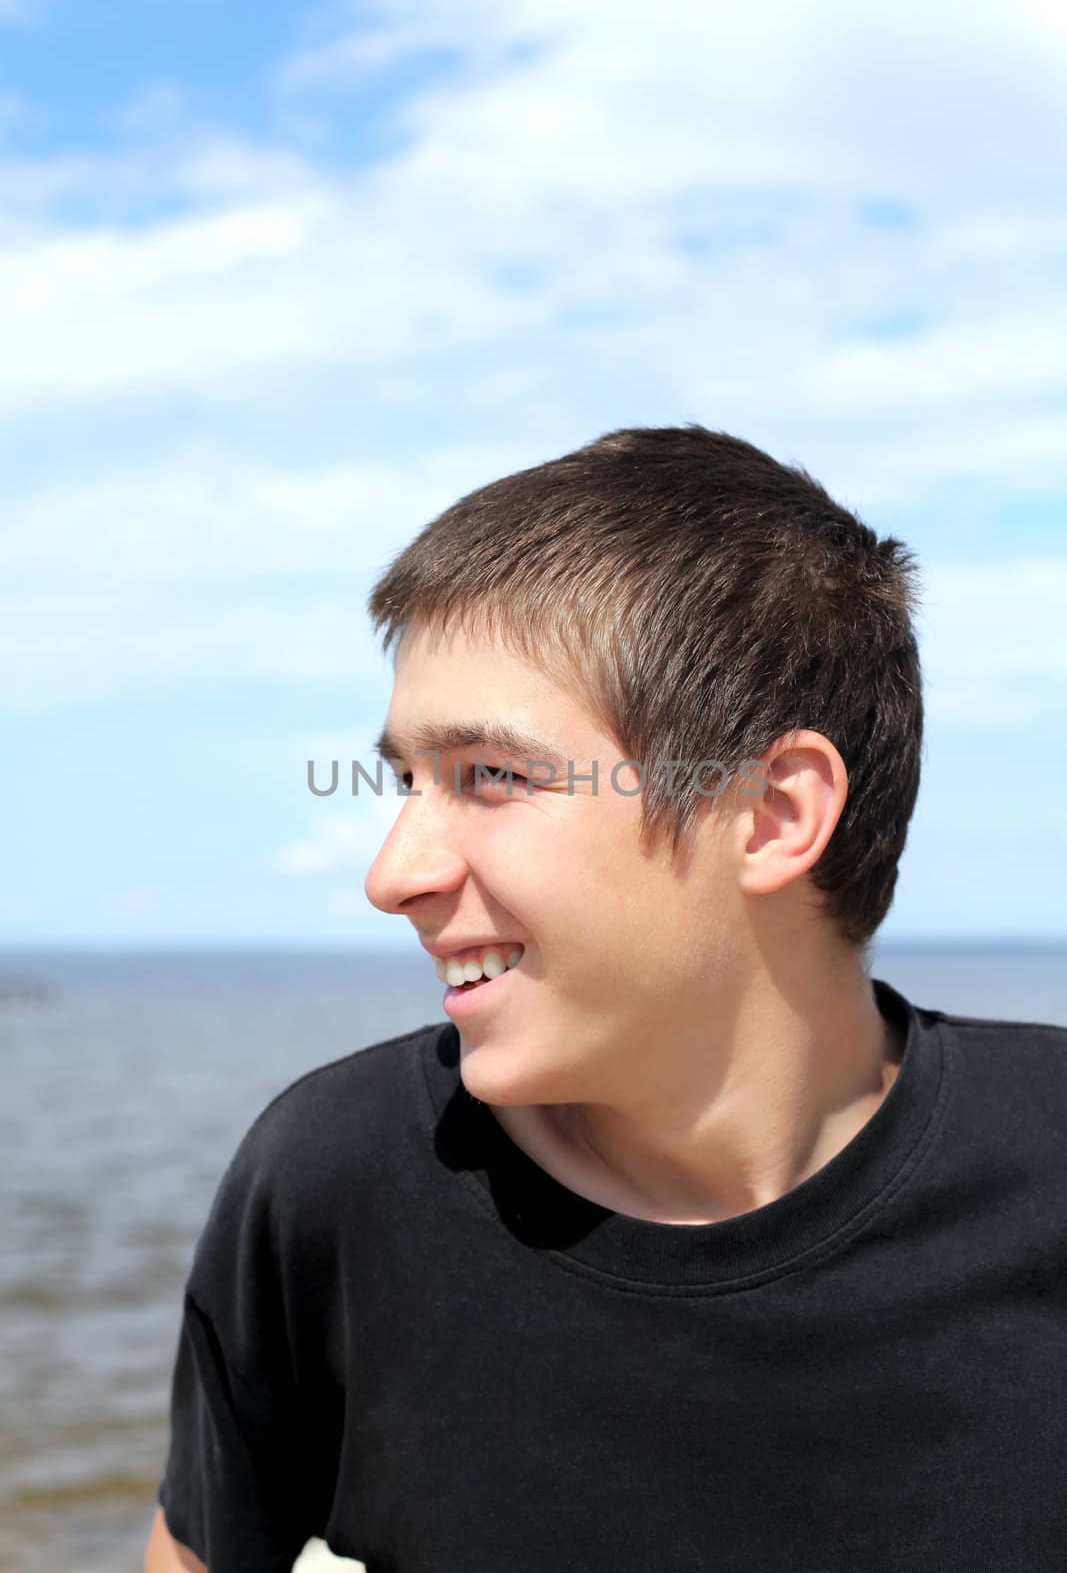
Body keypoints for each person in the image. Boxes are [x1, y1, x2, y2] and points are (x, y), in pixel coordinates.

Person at [146, 425, 1067, 1572]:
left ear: (775, 813)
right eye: (405, 781)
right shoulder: (338, 1183)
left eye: (490, 776)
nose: (391, 874)